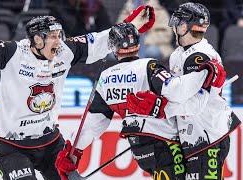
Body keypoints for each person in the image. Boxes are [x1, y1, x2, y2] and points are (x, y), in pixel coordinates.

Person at [0, 7, 154, 180]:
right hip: (14, 147)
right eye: (52, 36)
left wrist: (132, 25)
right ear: (37, 39)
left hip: (51, 143)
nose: (58, 41)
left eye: (59, 35)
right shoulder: (12, 53)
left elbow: (98, 41)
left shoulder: (64, 52)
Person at [55, 22, 226, 180]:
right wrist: (206, 73)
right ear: (138, 44)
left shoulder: (105, 78)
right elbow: (175, 90)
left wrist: (72, 150)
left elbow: (92, 123)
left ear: (114, 48)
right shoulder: (149, 66)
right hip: (166, 144)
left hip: (140, 150)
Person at [127, 3, 242, 180]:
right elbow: (178, 96)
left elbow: (194, 105)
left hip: (208, 137)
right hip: (190, 134)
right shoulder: (178, 54)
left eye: (177, 22)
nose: (174, 26)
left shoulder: (201, 57)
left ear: (183, 26)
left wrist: (158, 107)